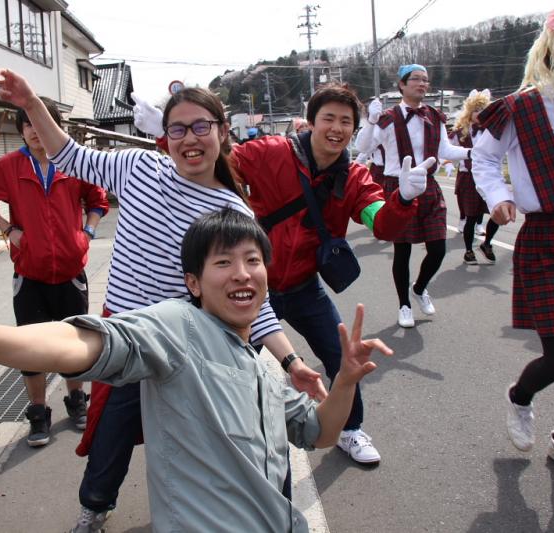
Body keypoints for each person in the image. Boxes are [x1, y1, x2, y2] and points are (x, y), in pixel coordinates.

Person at [0, 207, 393, 533]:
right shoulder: (178, 327)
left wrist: (344, 380)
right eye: (223, 263)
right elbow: (80, 341)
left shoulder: (261, 368)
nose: (242, 273)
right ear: (193, 283)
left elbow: (321, 433)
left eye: (253, 260)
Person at [0, 69, 327, 532]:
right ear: (164, 136)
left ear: (222, 132)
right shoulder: (138, 168)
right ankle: (94, 508)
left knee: (212, 445)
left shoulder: (234, 212)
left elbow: (250, 297)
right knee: (111, 434)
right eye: (177, 128)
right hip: (127, 334)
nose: (189, 139)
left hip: (190, 345)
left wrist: (291, 363)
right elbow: (69, 155)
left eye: (200, 127)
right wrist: (31, 102)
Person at [133, 84, 431, 465]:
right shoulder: (272, 151)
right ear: (310, 122)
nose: (336, 128)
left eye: (346, 122)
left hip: (307, 286)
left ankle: (351, 429)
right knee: (228, 365)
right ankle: (219, 440)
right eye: (328, 118)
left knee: (341, 356)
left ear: (354, 130)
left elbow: (383, 225)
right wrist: (169, 134)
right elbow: (215, 163)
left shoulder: (354, 178)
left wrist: (403, 200)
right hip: (254, 290)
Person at [472, 0, 554, 484]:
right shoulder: (522, 106)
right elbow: (482, 159)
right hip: (549, 237)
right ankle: (519, 396)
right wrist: (499, 197)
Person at [0, 99, 109, 446]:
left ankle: (77, 401)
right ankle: (37, 412)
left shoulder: (73, 163)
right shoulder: (9, 166)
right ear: (22, 129)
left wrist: (87, 233)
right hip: (30, 273)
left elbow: (98, 200)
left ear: (54, 125)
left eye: (40, 121)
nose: (35, 130)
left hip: (70, 271)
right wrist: (8, 230)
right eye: (28, 123)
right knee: (31, 347)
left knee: (75, 343)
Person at [356, 65, 470, 328]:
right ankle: (404, 304)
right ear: (402, 85)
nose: (422, 84)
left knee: (438, 248)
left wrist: (471, 153)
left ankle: (419, 288)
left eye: (425, 80)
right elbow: (363, 147)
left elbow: (445, 149)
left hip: (428, 185)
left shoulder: (435, 116)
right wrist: (370, 121)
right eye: (416, 79)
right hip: (398, 187)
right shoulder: (387, 118)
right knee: (402, 250)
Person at [448, 90, 500, 265]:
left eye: (483, 109)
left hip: (490, 177)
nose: (480, 113)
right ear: (470, 112)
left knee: (496, 212)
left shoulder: (493, 130)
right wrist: (448, 164)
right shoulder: (459, 132)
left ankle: (487, 244)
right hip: (468, 177)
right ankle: (469, 250)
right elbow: (447, 151)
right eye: (477, 109)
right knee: (471, 216)